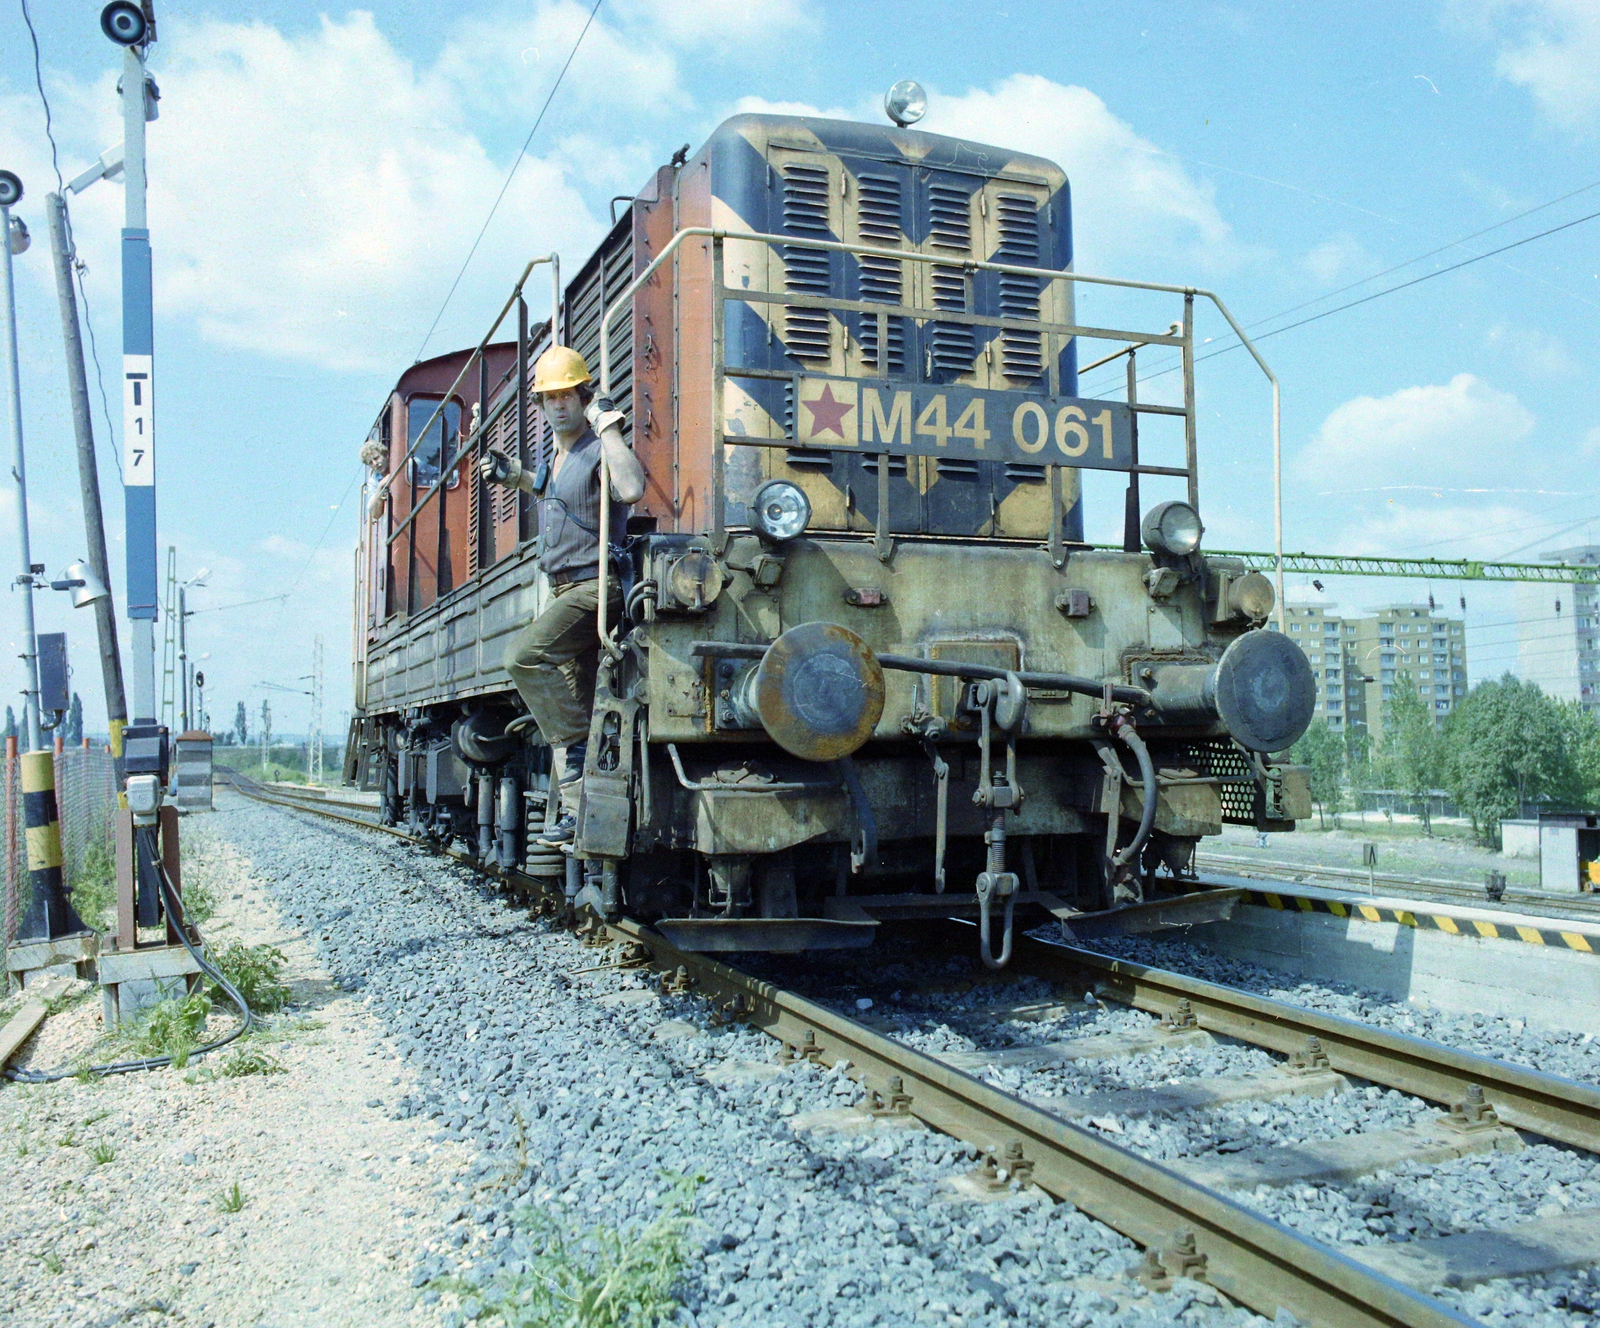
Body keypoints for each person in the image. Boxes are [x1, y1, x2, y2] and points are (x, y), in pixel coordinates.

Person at [480, 345, 646, 844]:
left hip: (595, 589)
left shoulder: (598, 449)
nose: (558, 405)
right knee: (569, 704)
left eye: (567, 395)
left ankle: (575, 748)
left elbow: (633, 488)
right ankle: (579, 816)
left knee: (523, 658)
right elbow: (554, 490)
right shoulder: (561, 455)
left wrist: (610, 427)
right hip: (564, 593)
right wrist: (515, 476)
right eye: (549, 397)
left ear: (583, 396)